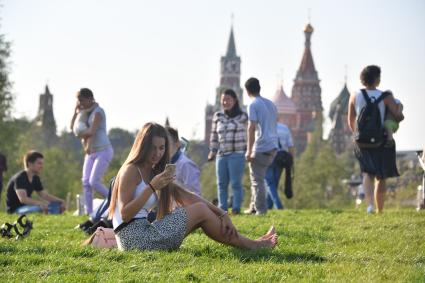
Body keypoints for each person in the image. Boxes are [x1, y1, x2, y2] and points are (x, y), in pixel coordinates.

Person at [108, 122, 278, 251]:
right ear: (142, 146)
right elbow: (125, 214)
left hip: (145, 233)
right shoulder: (131, 170)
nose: (157, 153)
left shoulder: (152, 170)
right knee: (200, 211)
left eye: (161, 148)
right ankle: (255, 245)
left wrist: (222, 213)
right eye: (153, 148)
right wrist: (152, 187)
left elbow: (188, 196)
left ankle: (252, 244)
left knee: (200, 208)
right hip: (133, 239)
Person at [348, 65, 404, 213]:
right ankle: (380, 209)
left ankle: (370, 206)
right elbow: (397, 116)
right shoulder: (385, 96)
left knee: (367, 173)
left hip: (361, 141)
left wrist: (357, 135)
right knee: (381, 175)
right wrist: (399, 108)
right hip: (381, 140)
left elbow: (351, 120)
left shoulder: (355, 95)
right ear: (377, 79)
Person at [70, 88, 114, 214]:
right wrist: (75, 112)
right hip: (90, 152)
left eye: (82, 100)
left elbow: (91, 132)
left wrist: (80, 135)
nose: (80, 103)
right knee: (86, 182)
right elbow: (71, 127)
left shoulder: (98, 112)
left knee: (94, 181)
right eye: (78, 101)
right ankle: (89, 213)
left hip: (104, 150)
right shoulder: (84, 113)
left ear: (90, 98)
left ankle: (114, 201)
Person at [208, 89, 248, 214]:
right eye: (223, 100)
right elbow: (214, 135)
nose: (226, 102)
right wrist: (212, 151)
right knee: (221, 183)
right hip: (221, 154)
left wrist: (249, 150)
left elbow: (249, 134)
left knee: (236, 183)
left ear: (235, 101)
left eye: (228, 99)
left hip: (237, 154)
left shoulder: (243, 116)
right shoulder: (218, 116)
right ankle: (222, 208)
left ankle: (236, 208)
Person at [244, 78, 278, 215]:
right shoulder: (271, 104)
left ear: (247, 91)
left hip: (261, 146)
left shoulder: (253, 104)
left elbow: (251, 128)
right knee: (257, 177)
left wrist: (249, 150)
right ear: (259, 87)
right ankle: (253, 207)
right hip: (273, 145)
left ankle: (261, 210)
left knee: (257, 180)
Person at [265, 122, 294, 209]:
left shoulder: (266, 127)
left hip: (269, 156)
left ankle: (278, 205)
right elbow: (290, 145)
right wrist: (292, 160)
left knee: (270, 183)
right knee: (275, 183)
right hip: (281, 159)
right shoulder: (284, 128)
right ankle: (269, 206)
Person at [166, 126, 201, 196]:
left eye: (167, 144)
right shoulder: (161, 164)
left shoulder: (186, 165)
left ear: (177, 143)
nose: (164, 148)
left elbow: (195, 196)